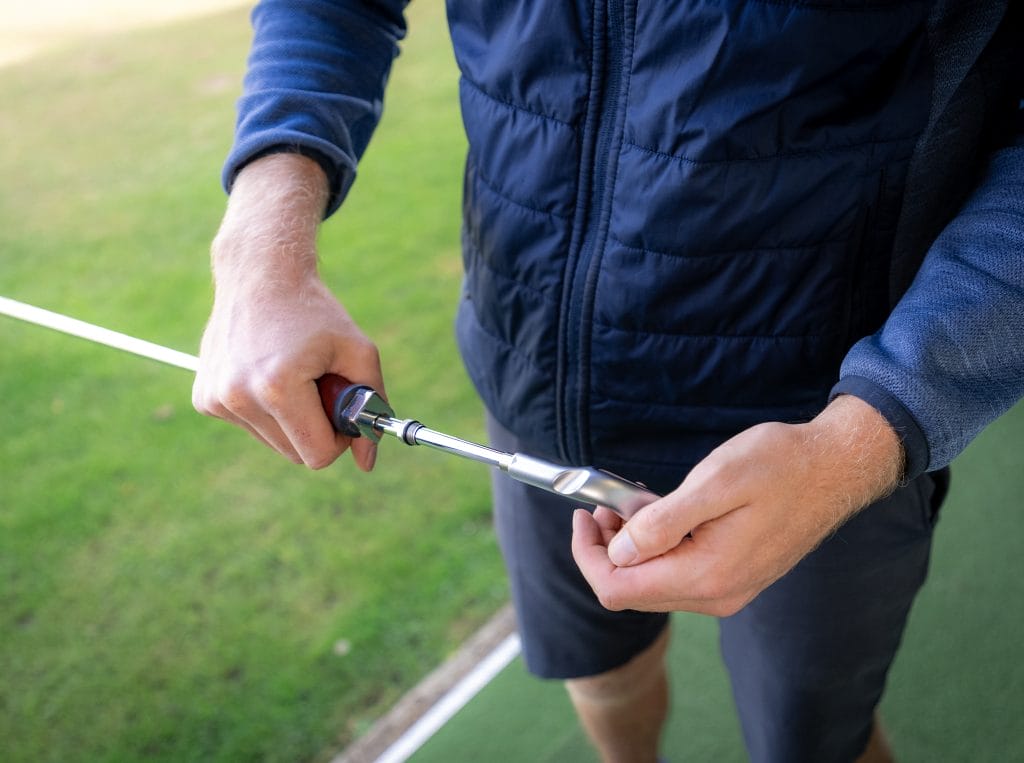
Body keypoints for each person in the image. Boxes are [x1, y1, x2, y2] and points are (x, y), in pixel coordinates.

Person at [192, 1, 1023, 761]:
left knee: (815, 743)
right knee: (602, 673)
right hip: (532, 383)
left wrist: (863, 437)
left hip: (828, 417)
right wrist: (260, 244)